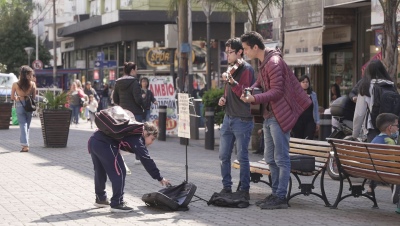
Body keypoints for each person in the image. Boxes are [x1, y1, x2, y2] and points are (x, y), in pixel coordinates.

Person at [239, 31, 311, 209]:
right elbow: (261, 84)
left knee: (281, 158)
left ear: (256, 47)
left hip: (279, 116)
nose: (245, 52)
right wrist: (251, 89)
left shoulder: (274, 62)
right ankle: (275, 193)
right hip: (269, 116)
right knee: (270, 158)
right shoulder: (265, 62)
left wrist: (255, 99)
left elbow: (277, 91)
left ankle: (280, 197)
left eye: (246, 49)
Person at [88, 122, 170, 212]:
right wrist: (159, 177)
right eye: (152, 139)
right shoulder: (138, 139)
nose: (152, 142)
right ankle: (117, 203)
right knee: (120, 172)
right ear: (146, 133)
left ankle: (101, 199)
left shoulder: (133, 132)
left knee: (100, 171)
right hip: (105, 144)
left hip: (94, 140)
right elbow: (146, 160)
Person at [217, 37, 255, 200]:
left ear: (240, 52)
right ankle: (226, 187)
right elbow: (229, 91)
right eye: (226, 52)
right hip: (228, 118)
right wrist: (223, 98)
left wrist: (232, 82)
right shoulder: (231, 69)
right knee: (223, 156)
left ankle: (244, 189)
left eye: (230, 52)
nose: (228, 56)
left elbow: (245, 94)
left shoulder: (247, 69)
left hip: (242, 119)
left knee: (242, 157)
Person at [352, 60, 395, 142]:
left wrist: (355, 134)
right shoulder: (390, 85)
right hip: (391, 128)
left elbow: (359, 113)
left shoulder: (366, 86)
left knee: (374, 153)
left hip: (373, 127)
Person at [365, 113, 400, 205]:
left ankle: (371, 189)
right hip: (388, 173)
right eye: (397, 125)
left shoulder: (374, 140)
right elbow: (395, 161)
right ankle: (397, 189)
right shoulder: (389, 141)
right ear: (389, 127)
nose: (398, 128)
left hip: (373, 172)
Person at [10, 65, 36, 152]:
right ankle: (25, 144)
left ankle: (25, 145)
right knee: (27, 126)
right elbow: (34, 97)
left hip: (20, 104)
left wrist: (18, 98)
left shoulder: (15, 84)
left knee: (23, 125)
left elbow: (12, 97)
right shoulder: (32, 84)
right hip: (29, 105)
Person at [292, 75, 320, 139]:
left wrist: (317, 122)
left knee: (308, 139)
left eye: (307, 82)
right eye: (303, 82)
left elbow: (315, 109)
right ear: (299, 83)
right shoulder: (295, 94)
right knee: (298, 140)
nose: (305, 83)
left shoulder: (313, 94)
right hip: (298, 121)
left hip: (310, 121)